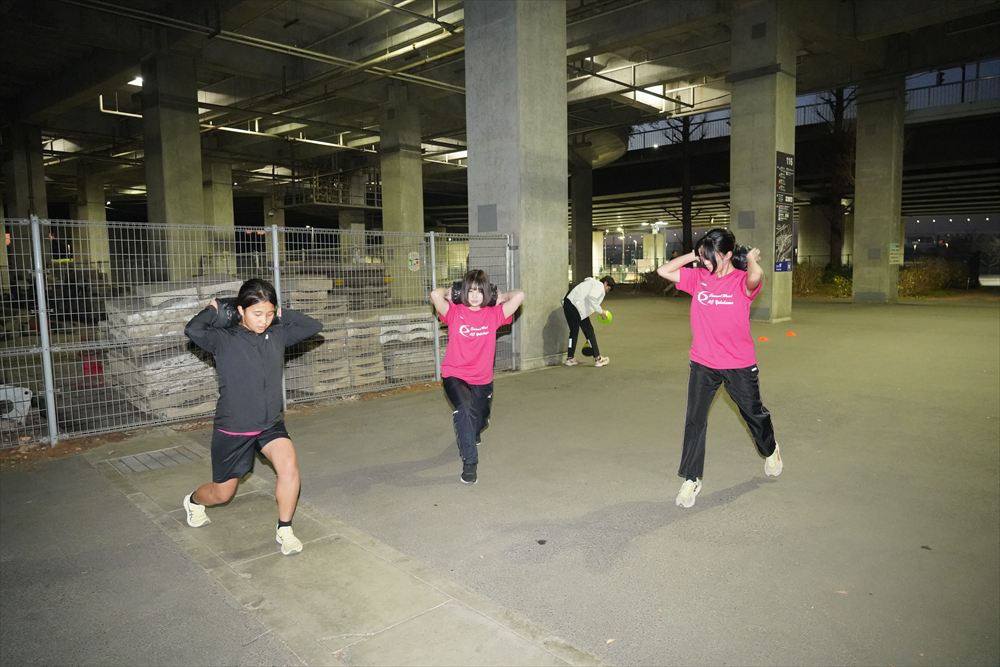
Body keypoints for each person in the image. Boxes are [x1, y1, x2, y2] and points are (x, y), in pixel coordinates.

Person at [182, 278, 322, 554]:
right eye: (257, 314)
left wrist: (280, 312)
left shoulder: (277, 335)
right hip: (234, 428)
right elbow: (193, 329)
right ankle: (194, 501)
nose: (263, 321)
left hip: (270, 424)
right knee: (222, 494)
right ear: (241, 311)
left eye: (269, 314)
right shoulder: (223, 339)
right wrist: (215, 309)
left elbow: (312, 326)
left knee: (289, 468)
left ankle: (285, 529)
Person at [656, 228, 783, 509]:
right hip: (703, 362)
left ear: (726, 255)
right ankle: (692, 478)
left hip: (739, 364)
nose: (705, 262)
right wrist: (695, 254)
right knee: (695, 420)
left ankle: (770, 448)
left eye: (710, 257)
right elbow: (664, 271)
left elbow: (756, 277)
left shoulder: (741, 281)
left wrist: (751, 259)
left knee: (753, 413)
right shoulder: (699, 277)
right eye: (703, 257)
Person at [430, 270, 525, 484]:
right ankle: (470, 464)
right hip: (455, 374)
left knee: (479, 419)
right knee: (464, 410)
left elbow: (519, 296)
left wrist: (501, 297)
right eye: (470, 290)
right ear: (463, 291)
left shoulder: (494, 314)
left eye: (479, 291)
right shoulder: (454, 312)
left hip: (482, 379)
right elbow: (435, 295)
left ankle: (476, 428)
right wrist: (452, 292)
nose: (474, 296)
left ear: (486, 293)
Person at [562, 275, 615, 367]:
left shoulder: (590, 283)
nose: (607, 291)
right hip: (577, 307)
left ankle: (570, 358)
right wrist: (601, 312)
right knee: (589, 331)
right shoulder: (599, 285)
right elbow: (592, 298)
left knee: (573, 332)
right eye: (608, 289)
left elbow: (587, 299)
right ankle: (598, 359)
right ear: (606, 283)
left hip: (568, 304)